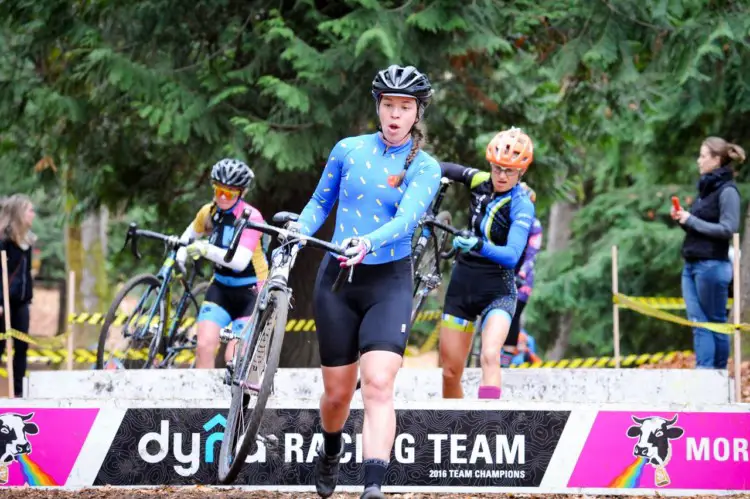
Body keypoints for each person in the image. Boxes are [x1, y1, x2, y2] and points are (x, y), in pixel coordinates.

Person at [296, 64, 440, 499]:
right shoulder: (348, 150)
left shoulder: (425, 166)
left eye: (405, 107)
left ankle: (372, 486)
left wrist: (368, 242)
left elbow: (407, 220)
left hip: (389, 282)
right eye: (389, 105)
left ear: (417, 113)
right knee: (337, 394)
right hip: (338, 281)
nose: (396, 115)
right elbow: (319, 203)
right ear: (378, 107)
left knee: (378, 383)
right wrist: (297, 234)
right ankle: (332, 447)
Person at [437, 127, 536, 400]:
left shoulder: (521, 205)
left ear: (521, 173)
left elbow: (512, 255)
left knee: (490, 355)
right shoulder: (479, 180)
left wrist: (478, 244)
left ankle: (487, 427)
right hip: (462, 285)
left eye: (510, 171)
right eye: (497, 168)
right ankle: (456, 425)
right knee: (449, 372)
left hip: (498, 290)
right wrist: (405, 171)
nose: (502, 176)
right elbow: (443, 168)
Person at [175, 159, 268, 374]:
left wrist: (206, 249)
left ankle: (235, 405)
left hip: (251, 291)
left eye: (230, 193)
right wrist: (180, 257)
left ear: (241, 193)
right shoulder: (208, 212)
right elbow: (188, 237)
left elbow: (239, 261)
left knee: (234, 356)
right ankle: (201, 405)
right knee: (204, 346)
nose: (223, 198)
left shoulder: (251, 217)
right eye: (219, 191)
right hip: (220, 288)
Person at [672, 137, 745, 369]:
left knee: (713, 323)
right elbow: (699, 226)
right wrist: (684, 220)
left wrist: (691, 220)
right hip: (691, 264)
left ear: (716, 159)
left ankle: (717, 377)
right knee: (698, 323)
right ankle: (704, 376)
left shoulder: (728, 191)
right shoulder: (705, 188)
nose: (699, 160)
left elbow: (728, 228)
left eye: (703, 156)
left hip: (712, 266)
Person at [501, 181, 543, 367]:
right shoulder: (506, 219)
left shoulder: (534, 225)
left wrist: (522, 275)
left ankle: (508, 354)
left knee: (514, 314)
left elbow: (532, 254)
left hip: (521, 276)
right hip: (501, 269)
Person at [0, 194, 37, 397]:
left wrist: (28, 298)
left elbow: (27, 273)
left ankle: (19, 392)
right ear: (19, 214)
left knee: (21, 347)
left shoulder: (27, 242)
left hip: (21, 303)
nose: (33, 214)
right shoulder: (4, 241)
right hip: (3, 302)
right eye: (30, 210)